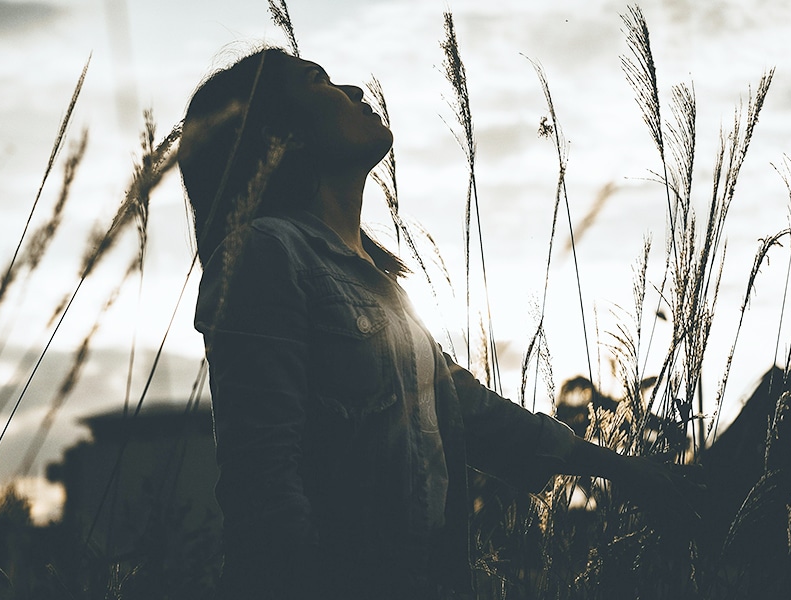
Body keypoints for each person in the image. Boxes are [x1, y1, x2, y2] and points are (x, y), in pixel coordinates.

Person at [181, 47, 693, 600]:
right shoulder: (265, 254)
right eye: (318, 82)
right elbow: (263, 481)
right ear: (284, 134)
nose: (353, 90)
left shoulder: (381, 288)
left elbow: (471, 410)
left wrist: (622, 470)